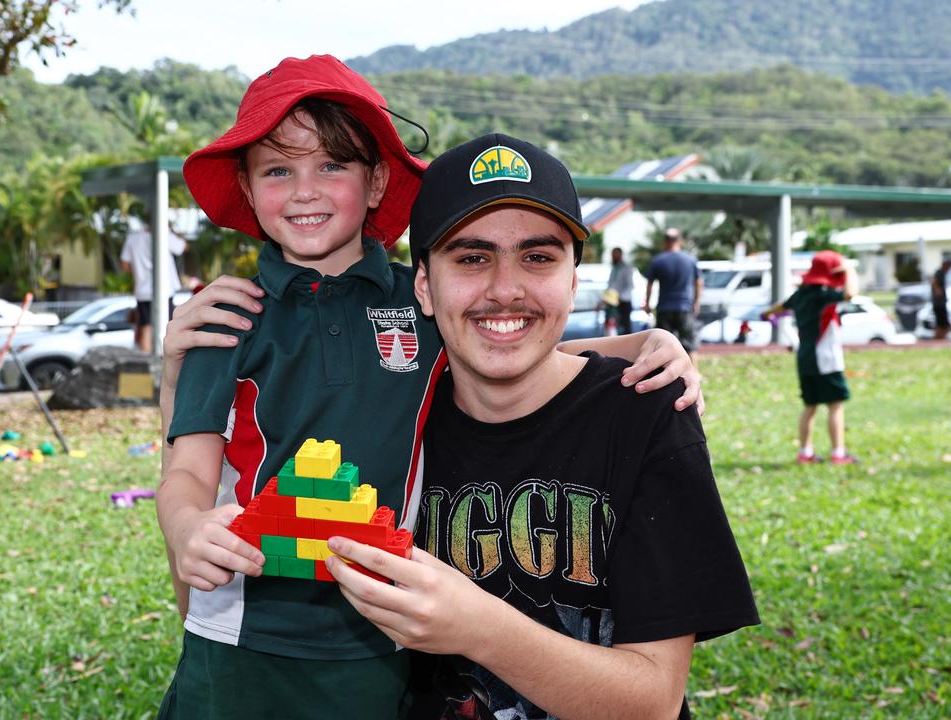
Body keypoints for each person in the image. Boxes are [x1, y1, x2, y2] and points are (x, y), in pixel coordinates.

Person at [155, 55, 702, 719]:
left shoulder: (419, 305)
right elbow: (187, 468)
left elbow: (517, 345)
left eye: (332, 165)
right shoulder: (228, 314)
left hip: (384, 630)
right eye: (278, 170)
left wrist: (649, 345)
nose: (305, 190)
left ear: (379, 179)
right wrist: (186, 527)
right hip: (243, 632)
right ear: (246, 184)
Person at [322, 133, 759, 720]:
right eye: (472, 257)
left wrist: (478, 627)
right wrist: (190, 377)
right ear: (424, 284)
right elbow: (216, 603)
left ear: (574, 279)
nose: (506, 289)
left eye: (539, 257)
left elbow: (654, 699)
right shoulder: (392, 420)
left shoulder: (644, 412)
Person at [764, 250, 859, 465]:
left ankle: (805, 452)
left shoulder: (801, 295)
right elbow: (850, 294)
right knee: (835, 404)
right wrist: (850, 269)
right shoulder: (822, 295)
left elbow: (778, 307)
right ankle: (838, 453)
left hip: (804, 357)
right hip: (825, 358)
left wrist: (768, 314)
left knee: (810, 405)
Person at [120, 211, 186, 353]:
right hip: (164, 290)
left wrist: (139, 272)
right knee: (168, 327)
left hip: (142, 291)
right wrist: (174, 231)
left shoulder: (132, 238)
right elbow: (183, 247)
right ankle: (165, 363)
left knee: (146, 327)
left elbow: (124, 265)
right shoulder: (165, 235)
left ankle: (147, 366)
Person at [645, 227, 702, 361]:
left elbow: (650, 285)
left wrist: (647, 303)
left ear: (664, 242)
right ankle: (693, 374)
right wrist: (696, 302)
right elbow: (699, 283)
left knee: (663, 345)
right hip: (684, 307)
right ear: (680, 241)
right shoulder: (690, 260)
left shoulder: (658, 261)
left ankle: (666, 378)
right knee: (689, 345)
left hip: (664, 308)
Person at [606, 247, 635, 335]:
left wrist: (619, 297)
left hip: (623, 302)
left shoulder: (626, 268)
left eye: (615, 255)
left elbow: (630, 286)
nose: (613, 257)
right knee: (613, 329)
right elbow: (611, 286)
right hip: (613, 302)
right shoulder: (614, 268)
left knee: (625, 330)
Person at [931, 259, 951, 340]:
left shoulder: (943, 273)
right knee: (943, 325)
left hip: (940, 302)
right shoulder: (940, 273)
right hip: (939, 303)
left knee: (943, 324)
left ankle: (940, 339)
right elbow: (934, 282)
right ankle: (938, 339)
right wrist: (938, 291)